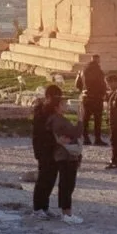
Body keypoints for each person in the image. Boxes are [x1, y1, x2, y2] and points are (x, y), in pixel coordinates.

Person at [44, 84, 84, 223]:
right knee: (67, 184)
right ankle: (67, 213)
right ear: (57, 107)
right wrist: (80, 119)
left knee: (67, 184)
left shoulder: (58, 118)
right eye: (63, 103)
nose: (66, 105)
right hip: (65, 156)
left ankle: (66, 212)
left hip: (65, 155)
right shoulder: (57, 120)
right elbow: (75, 133)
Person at [31, 86, 60, 219]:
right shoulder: (41, 112)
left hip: (54, 149)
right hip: (44, 149)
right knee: (43, 179)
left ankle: (45, 206)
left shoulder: (53, 111)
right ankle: (37, 208)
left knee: (51, 179)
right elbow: (38, 134)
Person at [79, 55, 107, 145]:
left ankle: (85, 138)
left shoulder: (84, 70)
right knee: (97, 119)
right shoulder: (99, 71)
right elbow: (102, 84)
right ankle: (97, 138)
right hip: (97, 97)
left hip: (86, 96)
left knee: (85, 119)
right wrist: (103, 93)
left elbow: (78, 84)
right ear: (98, 60)